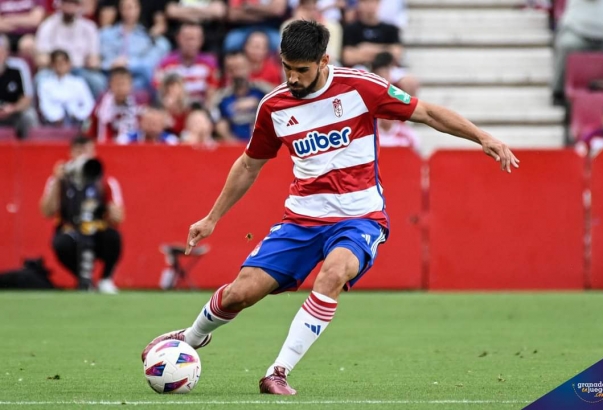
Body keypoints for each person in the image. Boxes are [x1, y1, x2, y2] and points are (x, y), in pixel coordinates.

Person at [141, 20, 519, 395]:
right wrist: (212, 218)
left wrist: (481, 136)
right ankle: (191, 337)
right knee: (242, 292)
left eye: (302, 70)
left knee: (333, 274)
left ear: (323, 61)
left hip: (359, 217)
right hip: (301, 219)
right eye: (287, 67)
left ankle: (278, 371)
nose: (293, 77)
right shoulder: (273, 106)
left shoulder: (360, 87)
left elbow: (427, 113)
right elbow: (248, 164)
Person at [39, 135, 124, 294]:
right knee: (61, 243)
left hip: (96, 229)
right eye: (79, 151)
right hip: (72, 231)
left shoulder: (104, 181)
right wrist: (58, 181)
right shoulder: (60, 179)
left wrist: (111, 209)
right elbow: (47, 211)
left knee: (113, 237)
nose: (83, 155)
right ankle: (84, 280)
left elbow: (119, 217)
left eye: (87, 150)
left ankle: (106, 279)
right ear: (71, 153)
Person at [37, 49, 95, 126]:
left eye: (63, 63)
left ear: (69, 64)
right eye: (57, 63)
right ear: (52, 65)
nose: (60, 66)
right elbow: (44, 106)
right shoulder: (45, 84)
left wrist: (78, 115)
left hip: (77, 121)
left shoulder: (78, 83)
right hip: (53, 122)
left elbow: (89, 104)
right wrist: (56, 117)